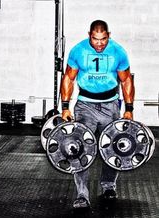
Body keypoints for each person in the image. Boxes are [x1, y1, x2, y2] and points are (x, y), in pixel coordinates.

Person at [61, 20, 134, 208]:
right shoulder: (78, 50)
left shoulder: (118, 51)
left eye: (103, 39)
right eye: (95, 39)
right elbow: (69, 77)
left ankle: (109, 186)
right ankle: (82, 195)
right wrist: (65, 107)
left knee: (112, 148)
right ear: (89, 35)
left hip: (110, 105)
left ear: (108, 35)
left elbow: (126, 81)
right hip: (85, 105)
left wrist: (129, 109)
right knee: (79, 148)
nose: (99, 43)